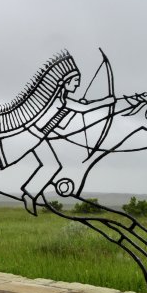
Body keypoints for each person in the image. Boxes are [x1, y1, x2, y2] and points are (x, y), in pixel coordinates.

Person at [20, 68, 115, 214]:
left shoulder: (62, 100)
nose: (77, 85)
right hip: (34, 136)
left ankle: (29, 195)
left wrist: (74, 109)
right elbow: (84, 108)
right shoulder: (58, 100)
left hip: (39, 136)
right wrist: (108, 101)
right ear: (65, 82)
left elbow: (62, 125)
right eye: (75, 81)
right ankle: (28, 195)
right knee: (51, 166)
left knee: (53, 166)